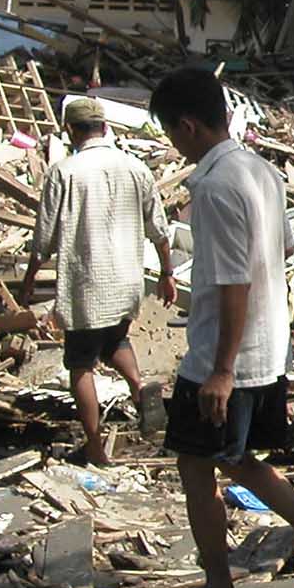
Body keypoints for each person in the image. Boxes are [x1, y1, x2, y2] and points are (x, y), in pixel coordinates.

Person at [148, 67, 294, 588]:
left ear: (187, 126)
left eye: (171, 133)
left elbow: (233, 280)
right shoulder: (261, 170)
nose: (174, 145)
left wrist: (220, 369)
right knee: (230, 459)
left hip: (225, 353)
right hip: (265, 346)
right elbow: (280, 252)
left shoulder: (213, 187)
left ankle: (220, 586)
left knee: (196, 464)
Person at [21, 97, 176, 467]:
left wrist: (28, 281)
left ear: (71, 131)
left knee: (80, 365)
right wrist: (167, 274)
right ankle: (139, 388)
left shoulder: (64, 172)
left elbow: (43, 238)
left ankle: (92, 446)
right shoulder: (136, 168)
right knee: (115, 340)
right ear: (105, 128)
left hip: (86, 286)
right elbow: (160, 230)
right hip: (125, 282)